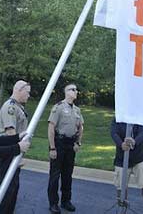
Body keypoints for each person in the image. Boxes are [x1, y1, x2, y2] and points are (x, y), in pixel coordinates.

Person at [0, 79, 31, 213]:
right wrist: (17, 155)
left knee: (11, 191)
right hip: (6, 155)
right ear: (18, 89)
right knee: (3, 191)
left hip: (10, 153)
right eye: (27, 92)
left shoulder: (18, 107)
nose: (29, 95)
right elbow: (10, 133)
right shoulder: (11, 107)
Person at [47, 84, 84, 213]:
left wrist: (78, 143)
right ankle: (53, 203)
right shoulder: (58, 107)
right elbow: (51, 128)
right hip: (59, 143)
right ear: (66, 92)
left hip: (70, 144)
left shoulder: (77, 110)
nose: (75, 91)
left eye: (76, 89)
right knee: (55, 175)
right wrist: (52, 148)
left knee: (68, 174)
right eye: (72, 89)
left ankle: (66, 201)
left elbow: (80, 127)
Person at [110, 119, 143, 214]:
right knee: (121, 188)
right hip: (121, 158)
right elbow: (114, 133)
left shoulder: (140, 116)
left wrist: (134, 141)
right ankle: (122, 211)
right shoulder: (119, 116)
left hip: (139, 157)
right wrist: (121, 144)